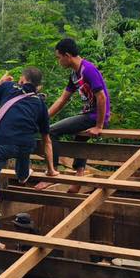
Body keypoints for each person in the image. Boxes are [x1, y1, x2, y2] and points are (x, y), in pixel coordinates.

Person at [0, 67, 59, 185]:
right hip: (25, 145)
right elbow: (47, 141)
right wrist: (51, 169)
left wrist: (0, 82)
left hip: (2, 143)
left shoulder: (8, 87)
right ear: (38, 86)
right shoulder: (40, 103)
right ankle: (22, 175)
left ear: (22, 79)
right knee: (23, 153)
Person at [46, 37, 112, 183]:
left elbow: (102, 97)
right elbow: (62, 99)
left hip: (95, 117)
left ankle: (52, 172)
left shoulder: (88, 70)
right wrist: (44, 117)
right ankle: (79, 174)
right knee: (80, 139)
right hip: (89, 116)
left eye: (59, 58)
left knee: (51, 131)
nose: (59, 62)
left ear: (67, 56)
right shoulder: (75, 74)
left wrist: (99, 126)